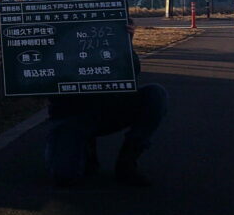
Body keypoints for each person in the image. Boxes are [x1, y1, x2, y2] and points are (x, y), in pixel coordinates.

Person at [44, 19, 168, 187]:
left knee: (155, 94)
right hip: (70, 115)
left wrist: (126, 43)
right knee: (64, 176)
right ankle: (85, 150)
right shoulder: (51, 34)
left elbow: (132, 71)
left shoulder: (110, 26)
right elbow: (34, 83)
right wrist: (13, 69)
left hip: (110, 109)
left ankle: (127, 160)